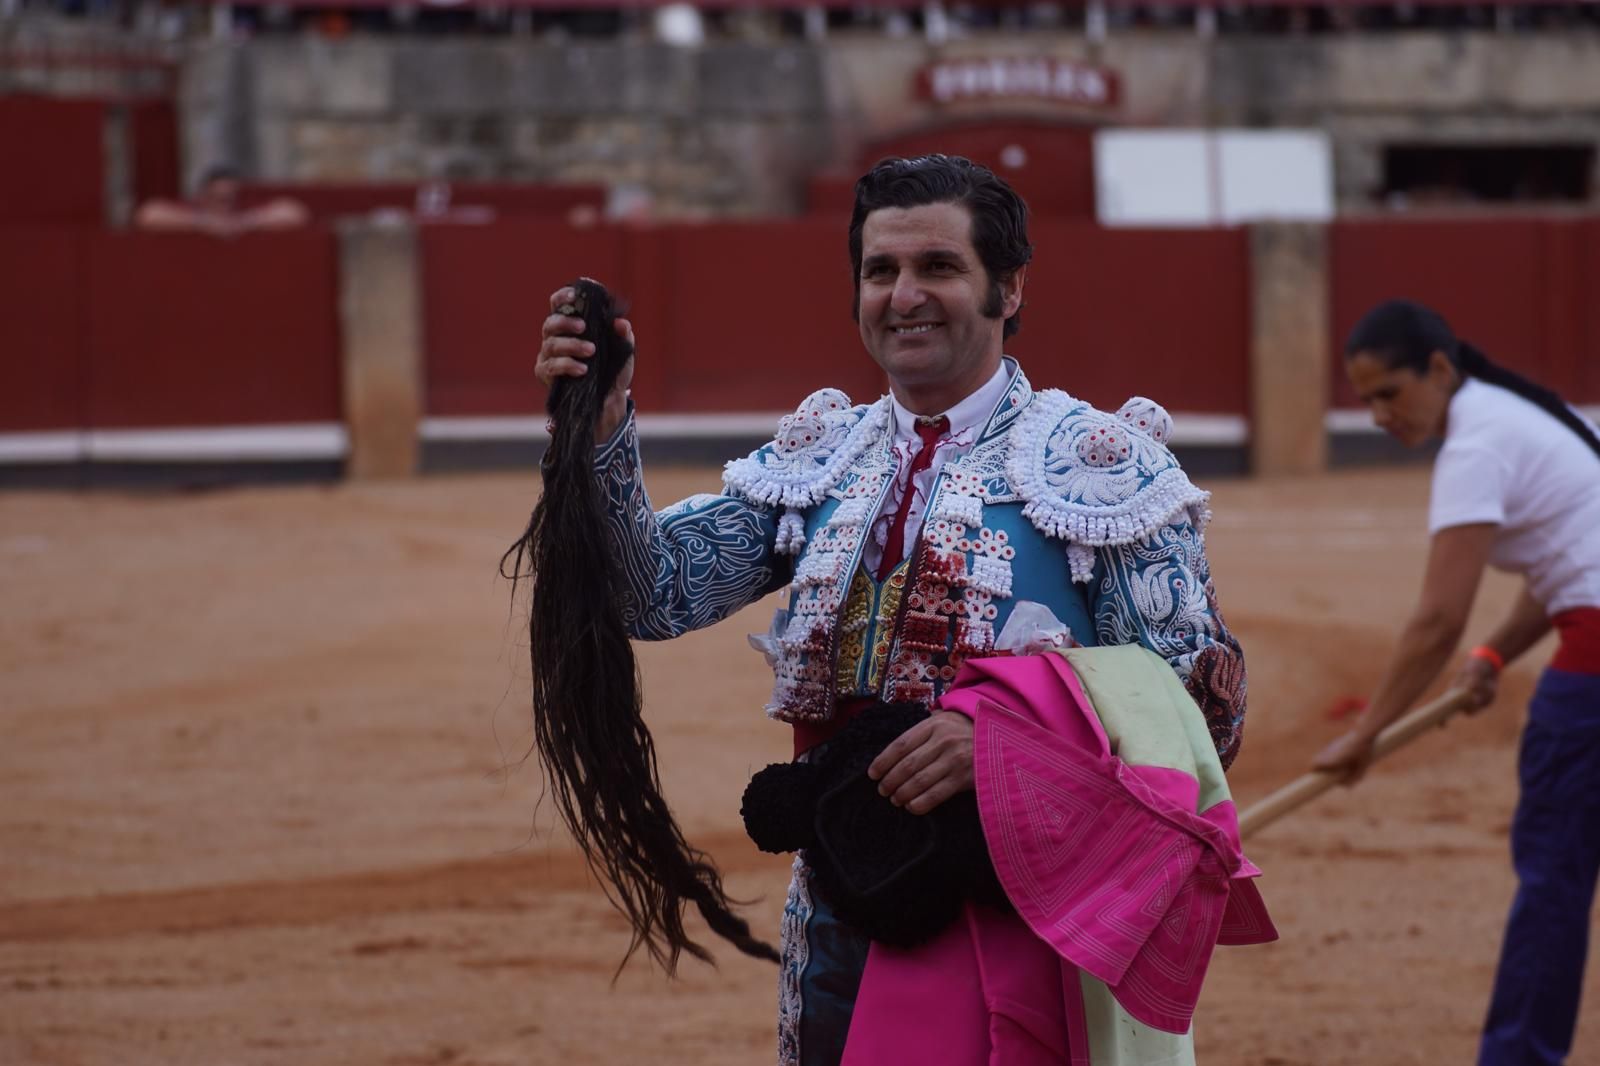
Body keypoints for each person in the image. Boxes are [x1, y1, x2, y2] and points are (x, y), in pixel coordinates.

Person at [535, 154, 1251, 1065]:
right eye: (881, 272)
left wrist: (1013, 741)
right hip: (840, 905)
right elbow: (653, 593)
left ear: (1008, 288)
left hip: (1025, 911)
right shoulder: (821, 457)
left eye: (939, 268)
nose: (904, 296)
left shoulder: (1103, 466)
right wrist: (601, 428)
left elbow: (1203, 715)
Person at [1313, 299, 1600, 1066]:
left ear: (1439, 370)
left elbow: (1438, 618)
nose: (1377, 415)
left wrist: (1367, 733)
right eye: (1364, 399)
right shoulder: (1514, 419)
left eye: (1388, 393)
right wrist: (1498, 655)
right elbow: (1570, 565)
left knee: (1553, 882)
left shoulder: (1476, 445)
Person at [133, 164, 309, 236]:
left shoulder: (244, 210)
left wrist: (244, 223)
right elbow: (148, 214)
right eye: (217, 198)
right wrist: (202, 223)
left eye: (228, 198)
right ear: (204, 195)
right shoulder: (191, 211)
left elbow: (293, 213)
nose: (223, 202)